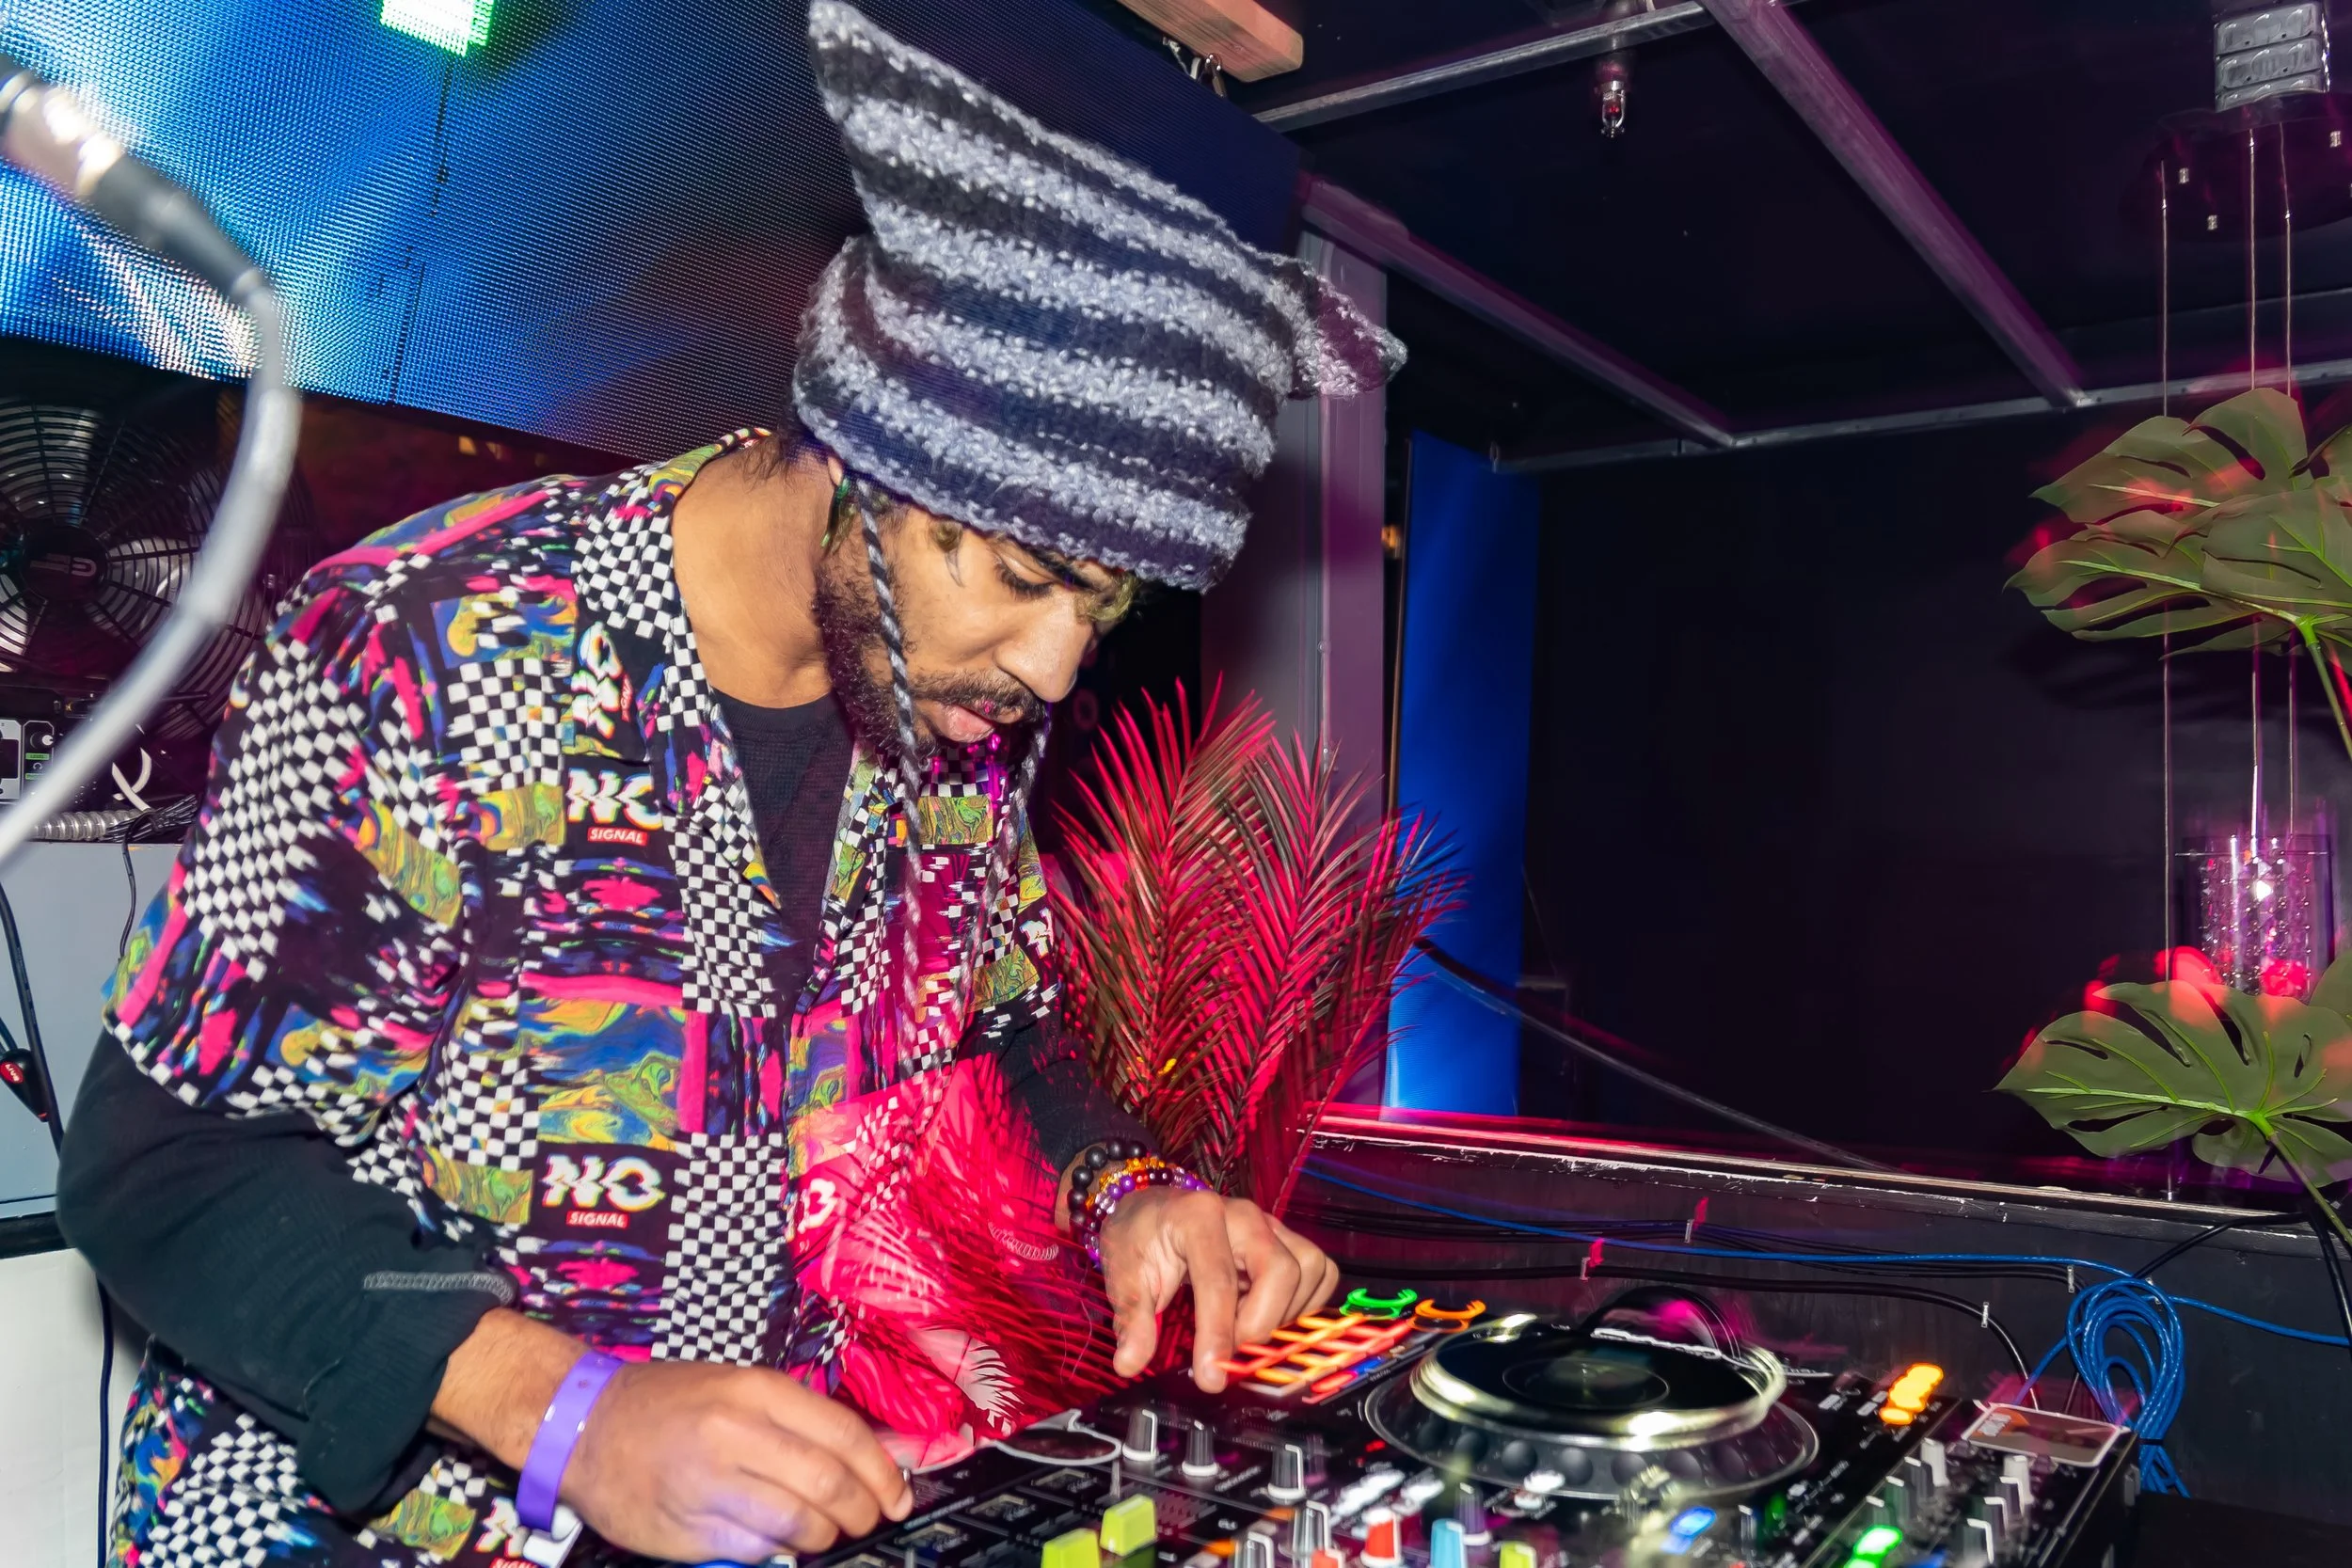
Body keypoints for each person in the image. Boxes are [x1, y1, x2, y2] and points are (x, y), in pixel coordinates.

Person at [55, 7, 1402, 1566]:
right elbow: (171, 1164)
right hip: (361, 1525)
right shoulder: (434, 646)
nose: (1049, 669)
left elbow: (1006, 1028)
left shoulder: (956, 710)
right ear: (862, 447)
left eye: (1100, 610)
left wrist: (1133, 1188)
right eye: (1030, 575)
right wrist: (564, 1407)